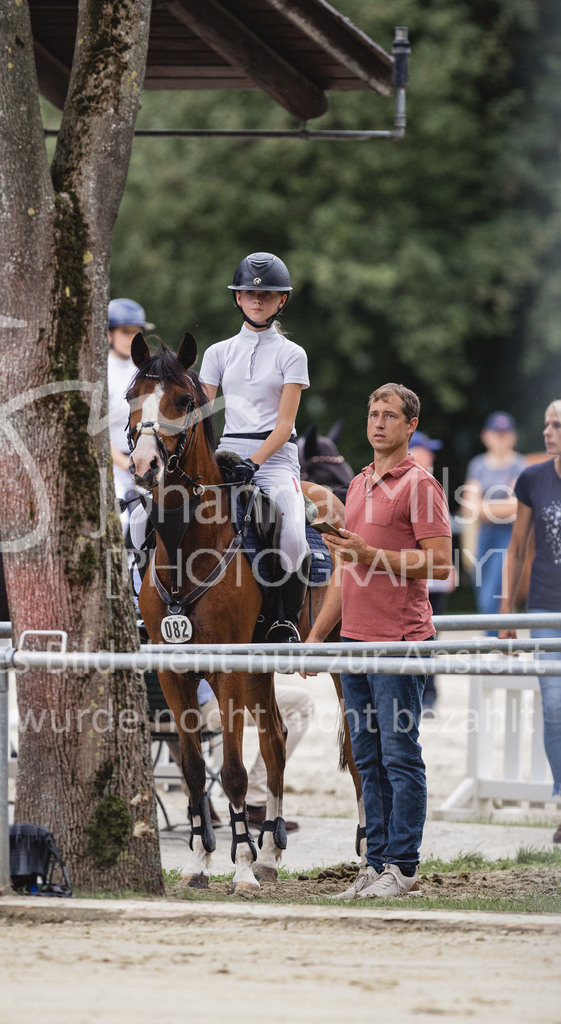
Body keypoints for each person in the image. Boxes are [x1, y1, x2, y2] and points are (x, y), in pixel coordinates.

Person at [305, 384, 452, 899]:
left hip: (400, 640)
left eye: (390, 415)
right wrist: (316, 637)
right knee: (365, 757)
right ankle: (375, 863)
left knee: (399, 755)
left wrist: (372, 556)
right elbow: (345, 572)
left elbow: (440, 564)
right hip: (353, 640)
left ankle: (403, 866)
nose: (379, 422)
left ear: (411, 426)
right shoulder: (358, 484)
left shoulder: (421, 485)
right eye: (373, 413)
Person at [199, 252, 310, 642]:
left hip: (275, 459)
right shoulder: (217, 353)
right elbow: (202, 417)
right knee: (162, 514)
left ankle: (285, 620)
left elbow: (285, 425)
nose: (257, 300)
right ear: (238, 298)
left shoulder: (292, 354)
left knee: (293, 537)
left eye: (267, 295)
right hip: (226, 455)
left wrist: (254, 463)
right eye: (249, 293)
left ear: (282, 300)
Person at [498, 400, 561, 844]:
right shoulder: (533, 479)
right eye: (546, 424)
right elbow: (517, 547)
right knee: (554, 705)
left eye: (556, 425)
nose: (547, 431)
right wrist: (507, 610)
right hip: (544, 606)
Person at [163, 678, 314, 832]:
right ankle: (255, 800)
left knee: (172, 692)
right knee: (302, 703)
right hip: (200, 711)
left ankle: (200, 801)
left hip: (156, 719)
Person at [460, 412, 527, 629]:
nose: (500, 438)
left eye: (505, 433)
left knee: (498, 590)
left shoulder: (519, 464)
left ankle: (496, 637)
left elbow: (517, 507)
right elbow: (469, 505)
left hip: (508, 535)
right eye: (497, 433)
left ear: (512, 436)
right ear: (486, 436)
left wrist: (483, 507)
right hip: (484, 535)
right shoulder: (478, 464)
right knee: (482, 590)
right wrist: (501, 507)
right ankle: (493, 637)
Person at [408, 430, 456, 710]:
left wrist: (451, 566)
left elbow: (444, 533)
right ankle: (424, 692)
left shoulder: (432, 483)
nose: (432, 456)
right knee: (421, 636)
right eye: (427, 450)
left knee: (433, 637)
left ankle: (430, 692)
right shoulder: (415, 485)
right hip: (420, 577)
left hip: (436, 577)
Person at [107, 298, 154, 540]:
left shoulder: (145, 371)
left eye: (137, 332)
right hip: (112, 465)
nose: (132, 338)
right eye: (125, 332)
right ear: (109, 335)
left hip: (145, 461)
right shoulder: (101, 370)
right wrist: (126, 463)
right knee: (122, 520)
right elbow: (96, 433)